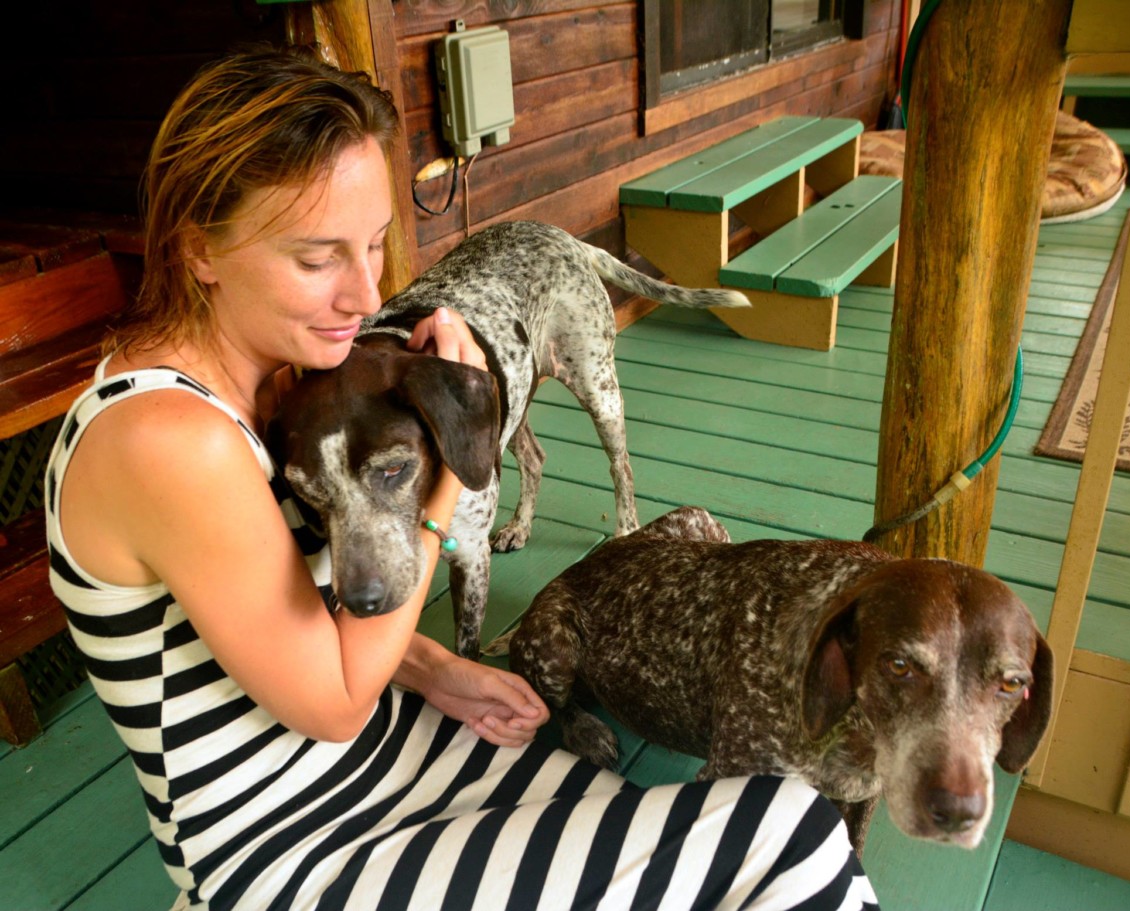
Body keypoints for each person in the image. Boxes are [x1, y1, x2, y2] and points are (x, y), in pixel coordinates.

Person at [45, 46, 879, 910]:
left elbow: (270, 612)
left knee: (709, 857)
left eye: (373, 247)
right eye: (317, 257)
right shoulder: (170, 439)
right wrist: (451, 467)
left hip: (384, 749)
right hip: (291, 844)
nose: (364, 293)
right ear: (201, 252)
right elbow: (330, 700)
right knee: (790, 830)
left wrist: (435, 669)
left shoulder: (271, 384)